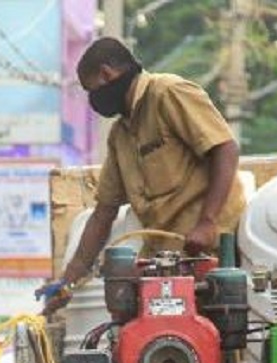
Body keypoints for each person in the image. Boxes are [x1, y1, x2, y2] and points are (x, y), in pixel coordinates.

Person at [37, 37, 247, 314]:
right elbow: (104, 212)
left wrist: (207, 223)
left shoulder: (168, 93)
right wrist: (68, 280)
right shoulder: (120, 135)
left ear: (107, 74)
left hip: (211, 255)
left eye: (91, 91)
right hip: (165, 265)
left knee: (216, 341)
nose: (93, 101)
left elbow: (225, 148)